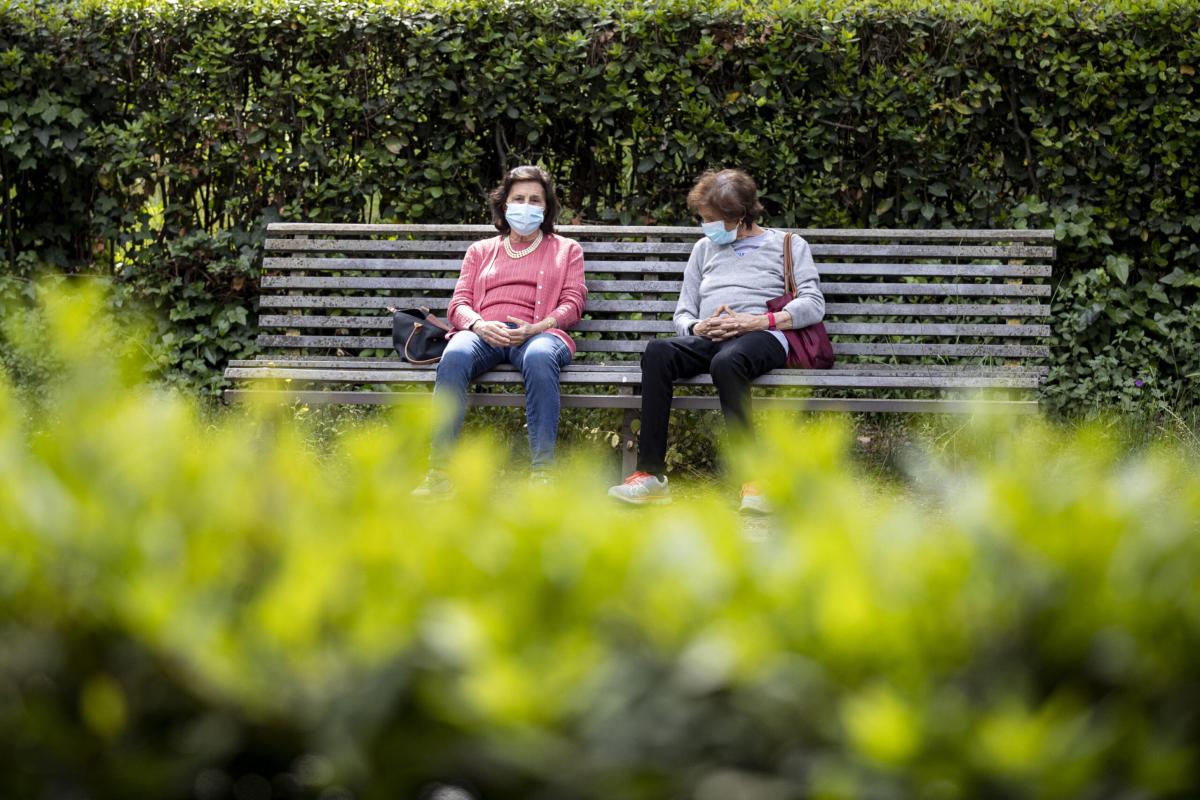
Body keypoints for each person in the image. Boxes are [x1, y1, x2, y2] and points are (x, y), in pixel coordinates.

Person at [608, 168, 825, 513]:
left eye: (710, 219)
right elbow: (682, 312)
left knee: (728, 362)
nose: (704, 226)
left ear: (738, 216)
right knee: (657, 353)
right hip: (711, 336)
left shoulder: (787, 244)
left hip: (764, 335)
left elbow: (814, 304)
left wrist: (757, 321)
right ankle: (651, 476)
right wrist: (697, 328)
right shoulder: (703, 249)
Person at [412, 165, 586, 497]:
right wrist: (478, 324)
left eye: (535, 199)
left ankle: (543, 475)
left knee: (538, 357)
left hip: (539, 334)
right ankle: (438, 473)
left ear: (546, 207)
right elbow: (459, 303)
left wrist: (539, 326)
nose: (527, 205)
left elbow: (573, 301)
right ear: (504, 205)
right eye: (518, 198)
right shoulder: (480, 250)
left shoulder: (567, 250)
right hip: (484, 333)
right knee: (456, 354)